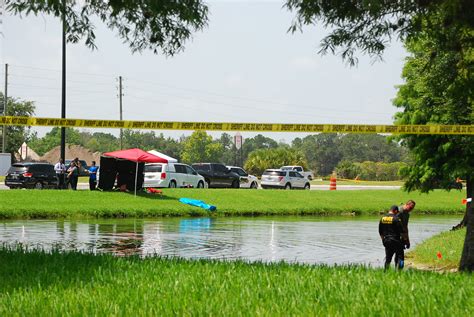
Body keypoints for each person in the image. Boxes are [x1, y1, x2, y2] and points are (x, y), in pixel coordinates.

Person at [379, 205, 405, 270]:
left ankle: (386, 272)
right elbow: (402, 232)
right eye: (397, 212)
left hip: (386, 240)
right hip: (396, 240)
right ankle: (399, 272)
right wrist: (404, 240)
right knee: (401, 258)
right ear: (395, 211)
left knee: (388, 258)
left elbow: (380, 232)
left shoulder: (382, 218)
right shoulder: (396, 218)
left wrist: (383, 241)